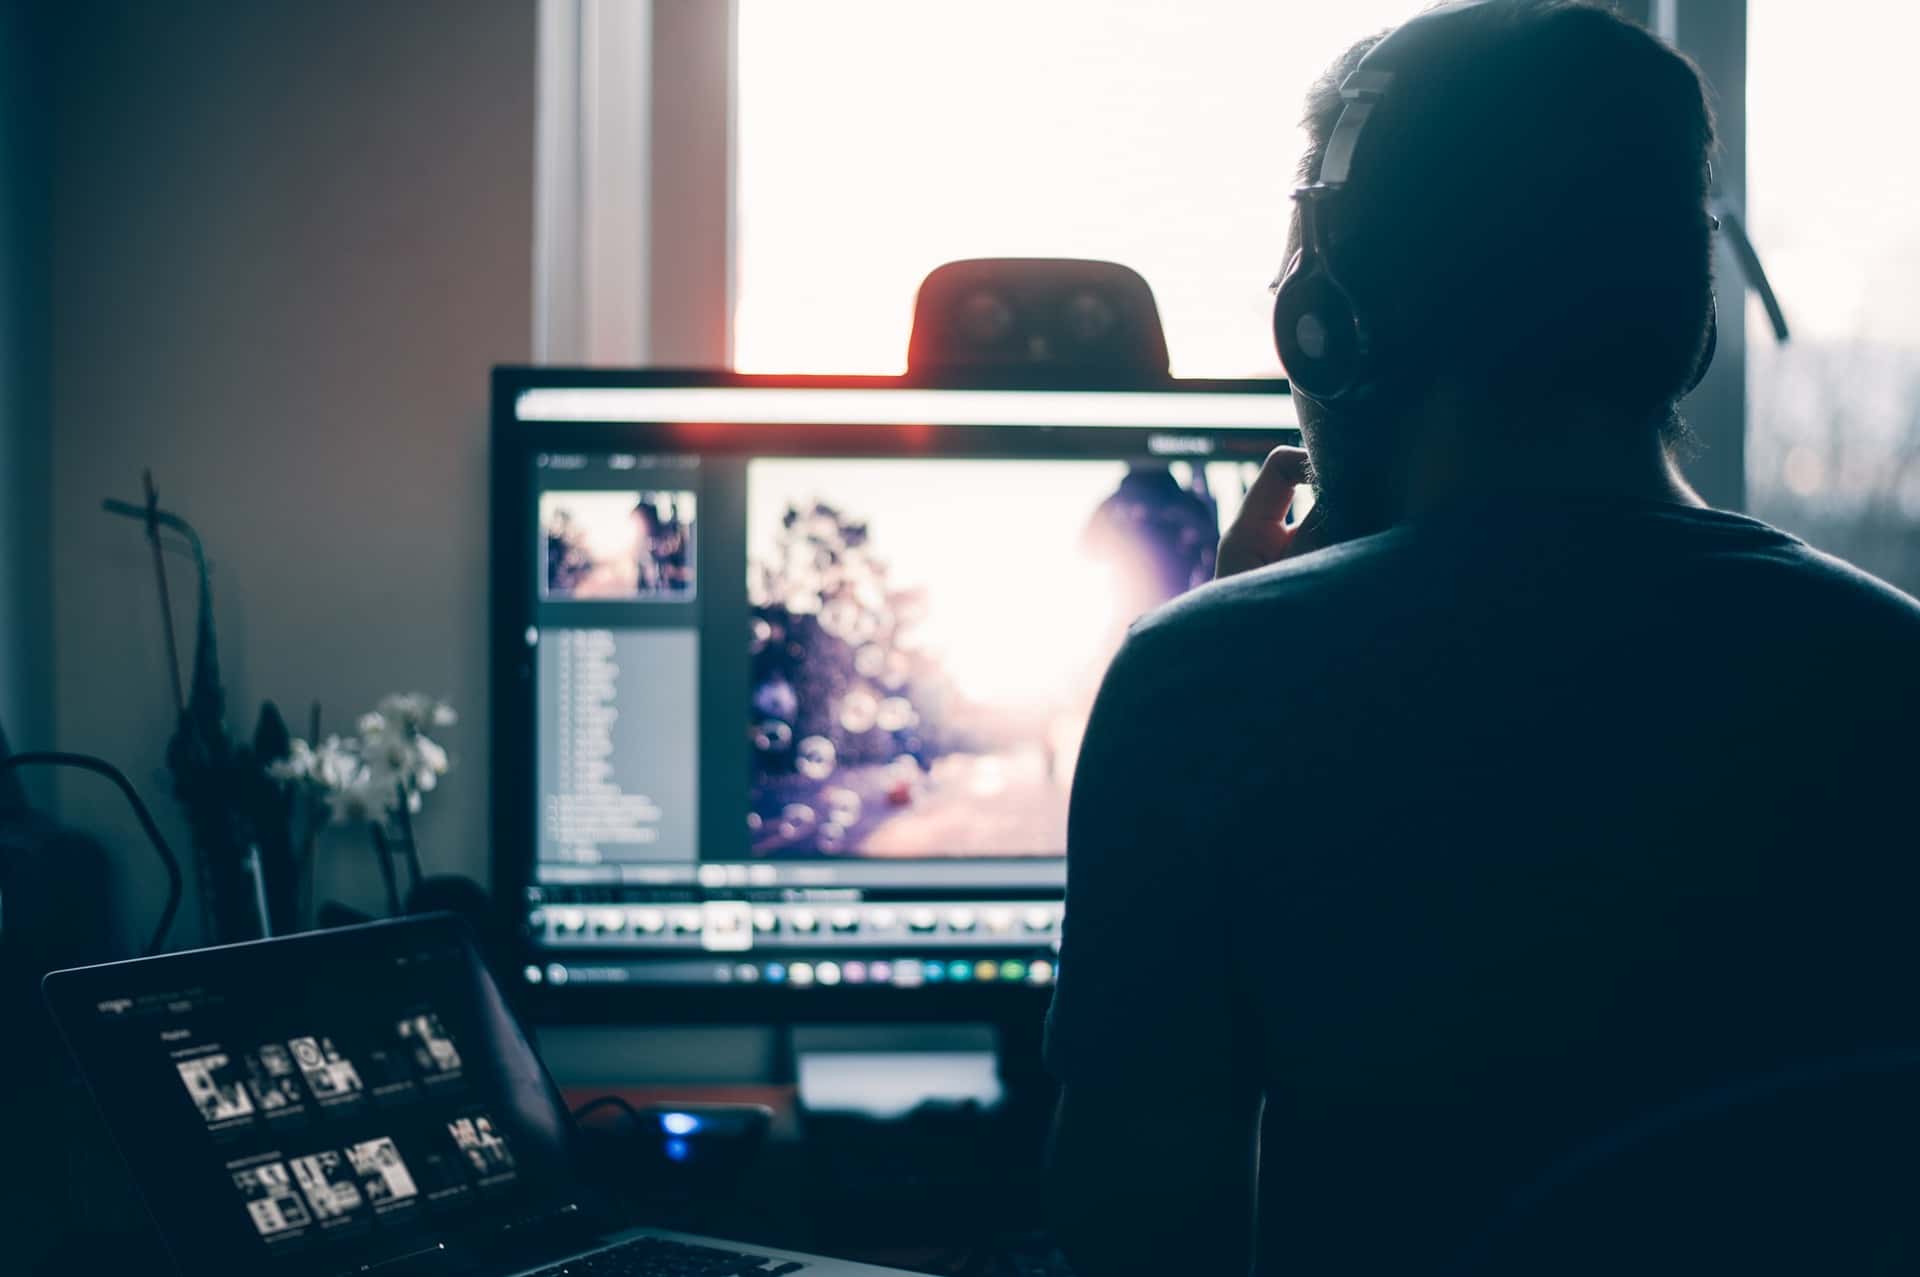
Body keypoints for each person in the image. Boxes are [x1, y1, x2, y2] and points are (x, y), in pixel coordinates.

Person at [1044, 3, 1920, 1274]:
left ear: (1327, 322)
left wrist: (1231, 636)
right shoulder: (1892, 672)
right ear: (1686, 318)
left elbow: (1134, 1238)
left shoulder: (1207, 687)